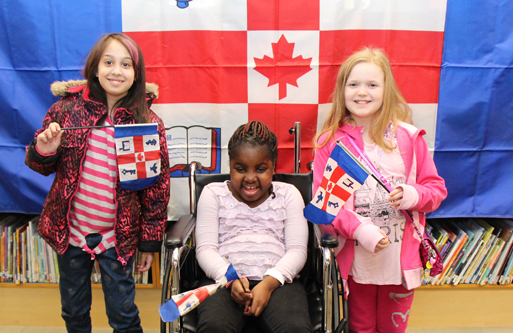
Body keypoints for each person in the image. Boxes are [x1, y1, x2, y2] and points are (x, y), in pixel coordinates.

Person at [25, 33, 170, 332]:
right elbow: (38, 164)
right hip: (71, 233)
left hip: (118, 237)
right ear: (94, 67)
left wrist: (149, 241)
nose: (117, 71)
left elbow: (157, 189)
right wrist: (44, 150)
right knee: (74, 310)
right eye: (109, 62)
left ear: (137, 74)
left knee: (124, 315)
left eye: (126, 64)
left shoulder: (148, 122)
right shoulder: (65, 111)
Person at [312, 47, 447, 333]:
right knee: (359, 327)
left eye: (372, 84)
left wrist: (413, 195)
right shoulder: (329, 143)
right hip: (356, 261)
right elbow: (324, 205)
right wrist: (360, 229)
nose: (362, 92)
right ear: (342, 90)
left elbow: (436, 190)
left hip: (400, 261)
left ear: (386, 89)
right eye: (354, 84)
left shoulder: (409, 138)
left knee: (394, 328)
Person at [195, 121, 312, 333]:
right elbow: (206, 249)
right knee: (214, 327)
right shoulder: (213, 194)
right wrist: (229, 279)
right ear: (230, 165)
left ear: (274, 167)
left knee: (295, 328)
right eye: (240, 169)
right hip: (223, 280)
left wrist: (269, 284)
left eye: (261, 169)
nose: (250, 178)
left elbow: (297, 250)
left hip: (279, 280)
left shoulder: (289, 194)